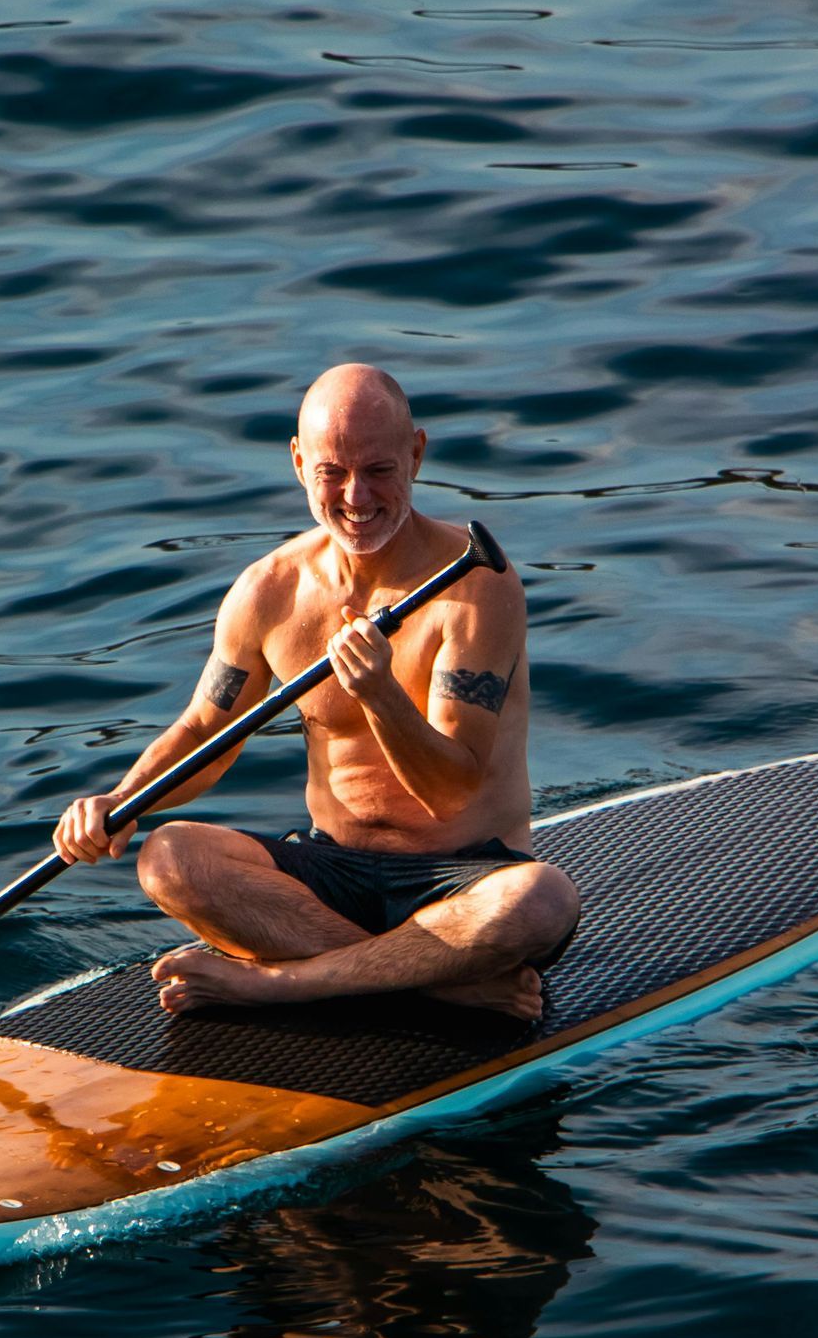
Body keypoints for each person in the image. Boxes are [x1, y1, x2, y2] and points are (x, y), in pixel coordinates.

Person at [53, 364, 579, 1021]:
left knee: (543, 899)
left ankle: (281, 983)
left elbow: (450, 790)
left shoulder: (476, 586)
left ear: (417, 452)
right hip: (331, 874)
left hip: (461, 876)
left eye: (380, 469)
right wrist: (121, 799)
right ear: (300, 463)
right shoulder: (269, 590)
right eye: (333, 471)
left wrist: (382, 695)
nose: (357, 498)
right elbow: (204, 736)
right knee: (169, 859)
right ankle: (433, 981)